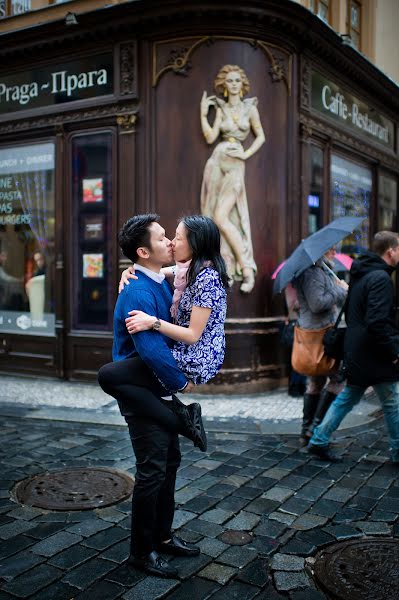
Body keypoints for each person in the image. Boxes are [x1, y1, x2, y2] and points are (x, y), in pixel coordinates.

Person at [98, 214, 204, 579]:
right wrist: (181, 383)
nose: (171, 243)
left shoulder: (155, 278)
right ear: (144, 251)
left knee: (169, 462)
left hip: (155, 387)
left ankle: (162, 535)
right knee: (152, 470)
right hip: (141, 391)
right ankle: (141, 552)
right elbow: (151, 350)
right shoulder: (141, 290)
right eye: (163, 239)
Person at [308, 231, 399, 463]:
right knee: (391, 402)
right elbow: (377, 322)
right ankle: (398, 450)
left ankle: (318, 439)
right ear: (390, 251)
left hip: (358, 349)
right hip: (374, 352)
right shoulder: (379, 278)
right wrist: (393, 352)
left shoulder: (363, 274)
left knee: (349, 396)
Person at [123, 215, 229, 387]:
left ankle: (178, 410)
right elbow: (159, 271)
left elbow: (193, 336)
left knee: (116, 373)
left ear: (195, 245)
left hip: (196, 358)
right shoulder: (191, 269)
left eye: (178, 238)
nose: (171, 242)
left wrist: (153, 322)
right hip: (185, 349)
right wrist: (132, 270)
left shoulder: (207, 278)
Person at [200, 64, 265, 293]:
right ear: (224, 85)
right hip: (217, 159)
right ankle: (224, 266)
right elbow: (210, 137)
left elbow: (260, 136)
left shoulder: (250, 108)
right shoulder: (222, 109)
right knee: (211, 214)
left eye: (238, 80)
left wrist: (246, 154)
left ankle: (246, 269)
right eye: (230, 81)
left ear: (243, 84)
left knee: (222, 216)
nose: (234, 84)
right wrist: (202, 112)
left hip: (236, 163)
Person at [294, 246, 348, 445]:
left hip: (319, 332)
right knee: (336, 379)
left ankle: (308, 430)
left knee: (316, 382)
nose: (334, 253)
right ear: (320, 252)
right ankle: (315, 428)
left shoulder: (320, 271)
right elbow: (317, 304)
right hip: (319, 335)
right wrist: (340, 291)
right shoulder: (312, 273)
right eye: (330, 250)